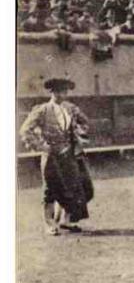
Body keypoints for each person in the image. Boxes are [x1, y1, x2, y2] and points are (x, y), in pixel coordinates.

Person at [19, 78, 94, 235]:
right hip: (51, 155)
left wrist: (79, 135)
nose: (62, 94)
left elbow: (85, 123)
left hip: (69, 154)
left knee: (72, 187)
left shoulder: (71, 108)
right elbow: (25, 130)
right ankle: (49, 223)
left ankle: (65, 221)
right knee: (50, 190)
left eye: (64, 91)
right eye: (58, 91)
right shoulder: (42, 110)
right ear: (51, 92)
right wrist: (41, 145)